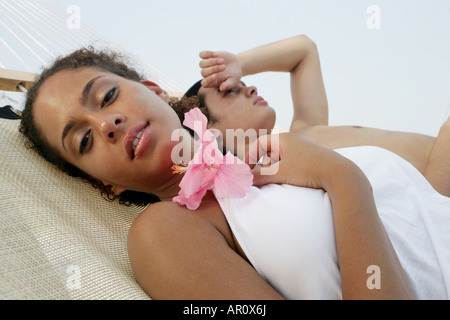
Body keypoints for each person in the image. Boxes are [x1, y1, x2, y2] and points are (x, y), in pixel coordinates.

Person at [18, 47, 449, 300]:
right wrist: (342, 178)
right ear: (104, 184)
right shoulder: (162, 231)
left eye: (107, 96)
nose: (106, 124)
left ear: (153, 91)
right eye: (84, 141)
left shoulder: (269, 153)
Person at [181, 34, 450, 197]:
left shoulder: (305, 132)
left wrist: (242, 64)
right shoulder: (276, 176)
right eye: (230, 91)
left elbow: (304, 50)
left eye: (243, 82)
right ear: (208, 132)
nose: (250, 86)